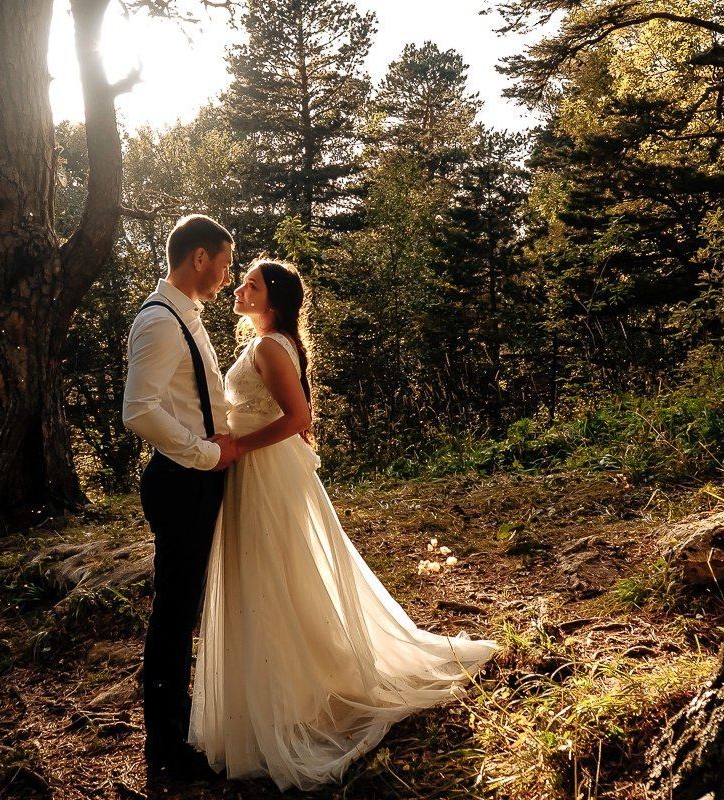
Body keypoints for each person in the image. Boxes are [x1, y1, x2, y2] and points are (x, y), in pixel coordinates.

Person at [189, 258, 499, 791]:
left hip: (264, 472)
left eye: (252, 285)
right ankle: (287, 689)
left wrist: (237, 445)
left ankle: (293, 697)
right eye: (241, 282)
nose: (240, 288)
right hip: (259, 473)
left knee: (272, 578)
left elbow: (298, 418)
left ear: (273, 300)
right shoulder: (270, 342)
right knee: (279, 579)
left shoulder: (268, 346)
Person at [122, 214, 239, 782]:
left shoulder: (187, 315)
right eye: (223, 264)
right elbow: (138, 410)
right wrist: (205, 454)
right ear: (198, 258)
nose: (226, 275)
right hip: (181, 480)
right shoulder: (160, 322)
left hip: (199, 477)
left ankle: (180, 724)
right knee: (173, 613)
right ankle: (165, 747)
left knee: (185, 607)